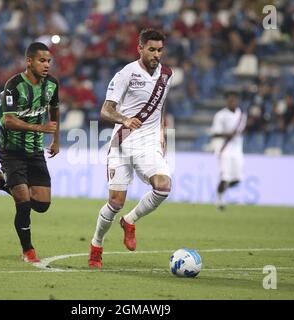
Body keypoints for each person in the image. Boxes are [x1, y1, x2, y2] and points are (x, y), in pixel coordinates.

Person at [88, 29, 174, 268]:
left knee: (164, 187)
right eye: (152, 49)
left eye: (160, 50)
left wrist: (162, 134)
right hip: (124, 141)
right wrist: (124, 120)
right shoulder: (126, 74)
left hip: (148, 143)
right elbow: (105, 110)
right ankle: (96, 244)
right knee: (115, 202)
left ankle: (130, 220)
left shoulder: (167, 75)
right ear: (140, 48)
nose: (156, 54)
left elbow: (161, 107)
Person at [0, 42, 60, 263]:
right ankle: (28, 250)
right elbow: (9, 121)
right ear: (29, 61)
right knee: (23, 201)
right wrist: (40, 128)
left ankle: (1, 183)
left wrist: (55, 139)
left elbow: (54, 110)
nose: (46, 65)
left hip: (35, 151)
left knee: (42, 205)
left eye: (49, 61)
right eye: (42, 61)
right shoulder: (13, 86)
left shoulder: (51, 85)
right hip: (11, 151)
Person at [211, 91, 247, 211]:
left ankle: (221, 189)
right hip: (224, 149)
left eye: (234, 100)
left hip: (237, 150)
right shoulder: (220, 115)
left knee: (237, 179)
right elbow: (215, 133)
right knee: (225, 177)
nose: (232, 102)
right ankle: (219, 200)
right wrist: (228, 134)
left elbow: (243, 131)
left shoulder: (242, 115)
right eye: (230, 100)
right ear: (227, 101)